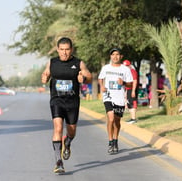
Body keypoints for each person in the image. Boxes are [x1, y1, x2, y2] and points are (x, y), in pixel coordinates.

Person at [41, 37, 92, 174]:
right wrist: (45, 78)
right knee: (57, 128)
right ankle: (58, 162)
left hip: (72, 102)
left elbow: (88, 75)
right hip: (56, 100)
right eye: (61, 50)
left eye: (67, 50)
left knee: (71, 131)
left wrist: (84, 78)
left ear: (71, 50)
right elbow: (46, 74)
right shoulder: (52, 62)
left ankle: (68, 142)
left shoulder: (78, 63)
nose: (64, 53)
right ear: (57, 50)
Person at [98, 48, 133, 155]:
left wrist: (123, 83)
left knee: (117, 121)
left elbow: (130, 84)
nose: (115, 56)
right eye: (113, 54)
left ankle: (116, 140)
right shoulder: (106, 68)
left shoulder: (125, 70)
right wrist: (102, 86)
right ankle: (110, 142)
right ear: (110, 56)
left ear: (121, 56)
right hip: (108, 96)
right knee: (111, 118)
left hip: (120, 98)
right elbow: (100, 78)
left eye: (117, 54)